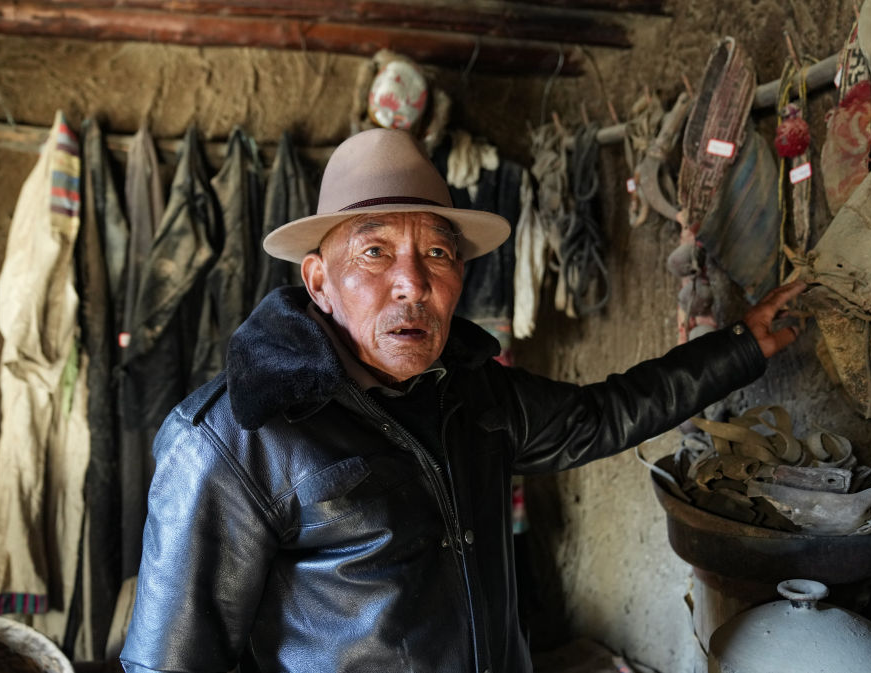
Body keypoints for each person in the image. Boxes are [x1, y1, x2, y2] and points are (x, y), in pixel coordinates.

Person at [120, 128, 805, 673]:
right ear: (319, 281)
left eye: (438, 254)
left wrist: (740, 346)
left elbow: (603, 414)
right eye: (375, 252)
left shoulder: (472, 391)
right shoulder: (234, 438)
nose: (413, 283)